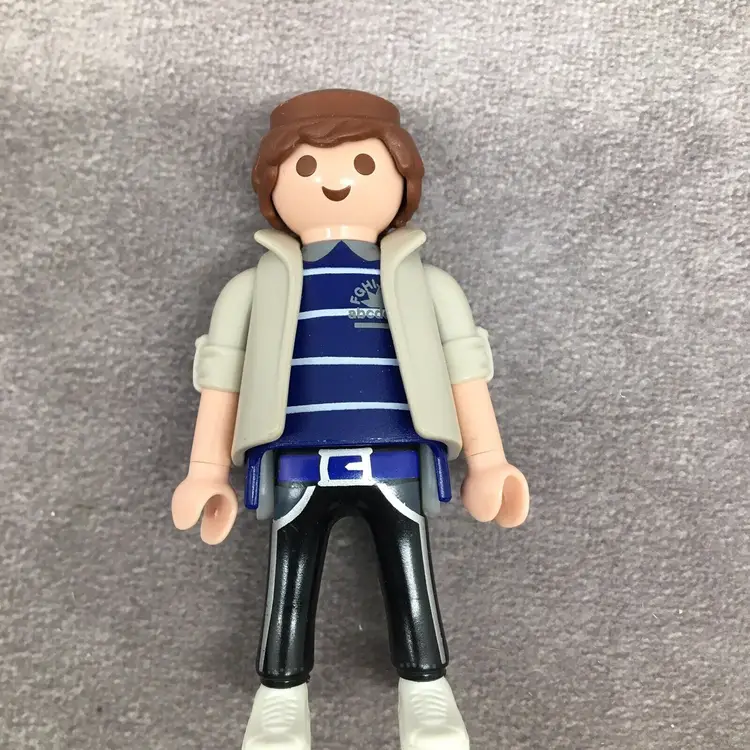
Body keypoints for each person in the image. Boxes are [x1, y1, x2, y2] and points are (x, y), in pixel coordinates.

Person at [172, 89, 530, 750]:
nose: (334, 181)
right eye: (306, 168)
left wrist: (488, 461)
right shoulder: (251, 288)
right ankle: (280, 697)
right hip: (294, 465)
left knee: (410, 572)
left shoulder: (429, 285)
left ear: (402, 181)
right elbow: (220, 379)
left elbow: (465, 371)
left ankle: (427, 688)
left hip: (395, 463)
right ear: (273, 187)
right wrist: (205, 471)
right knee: (289, 577)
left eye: (364, 166)